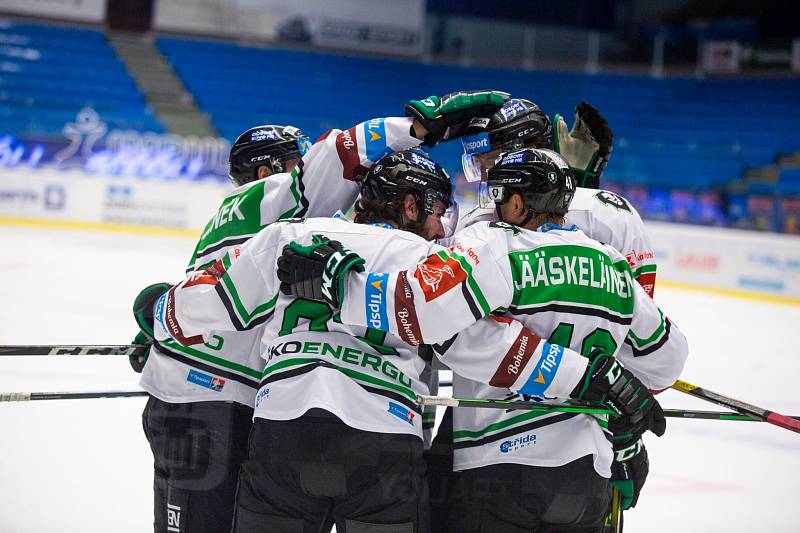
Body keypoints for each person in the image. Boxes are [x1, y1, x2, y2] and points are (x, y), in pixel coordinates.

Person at [130, 89, 508, 533]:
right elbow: (337, 156)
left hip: (223, 404)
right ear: (268, 170)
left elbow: (211, 297)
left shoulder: (285, 230)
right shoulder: (279, 202)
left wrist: (160, 318)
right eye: (297, 159)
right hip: (226, 406)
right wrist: (416, 128)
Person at [280, 147, 688, 532]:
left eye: (499, 199)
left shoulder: (493, 245)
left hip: (500, 466)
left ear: (516, 203)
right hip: (586, 475)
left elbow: (426, 312)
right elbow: (667, 361)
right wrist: (616, 393)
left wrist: (340, 283)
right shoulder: (612, 266)